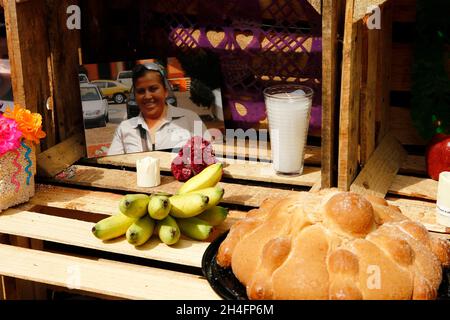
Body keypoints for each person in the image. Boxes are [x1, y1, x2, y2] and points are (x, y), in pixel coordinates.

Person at [107, 63, 210, 156]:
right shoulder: (125, 128)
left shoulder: (190, 119)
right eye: (141, 91)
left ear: (165, 92)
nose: (147, 96)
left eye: (153, 89)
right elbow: (112, 166)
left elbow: (210, 158)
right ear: (135, 96)